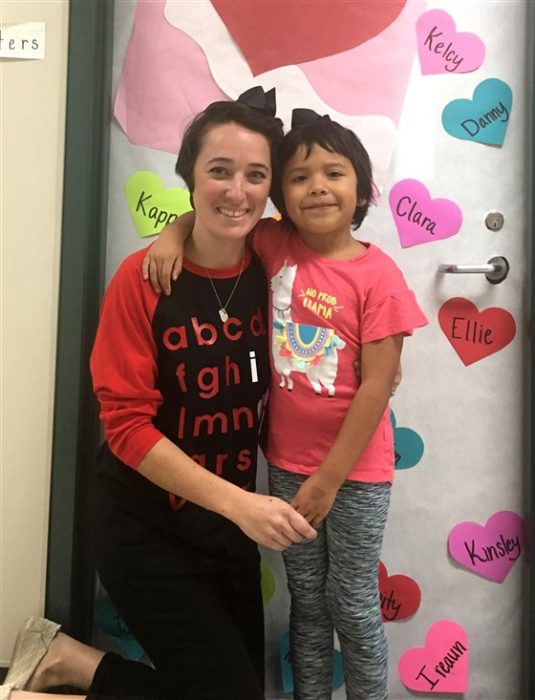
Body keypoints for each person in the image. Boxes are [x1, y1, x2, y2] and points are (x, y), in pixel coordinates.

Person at [1, 89, 317, 700]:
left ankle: (68, 661)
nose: (237, 191)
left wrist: (178, 227)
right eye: (218, 171)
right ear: (190, 176)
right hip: (144, 523)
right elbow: (125, 429)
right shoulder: (144, 279)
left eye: (256, 176)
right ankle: (73, 664)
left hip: (224, 529)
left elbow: (334, 236)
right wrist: (241, 506)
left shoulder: (274, 263)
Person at [143, 109, 428, 700]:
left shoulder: (379, 276)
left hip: (355, 473)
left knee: (349, 599)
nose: (318, 187)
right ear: (280, 196)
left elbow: (377, 387)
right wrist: (170, 234)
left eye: (334, 173)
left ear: (361, 189)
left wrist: (329, 480)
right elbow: (207, 221)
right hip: (288, 464)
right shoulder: (275, 244)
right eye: (298, 178)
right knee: (306, 600)